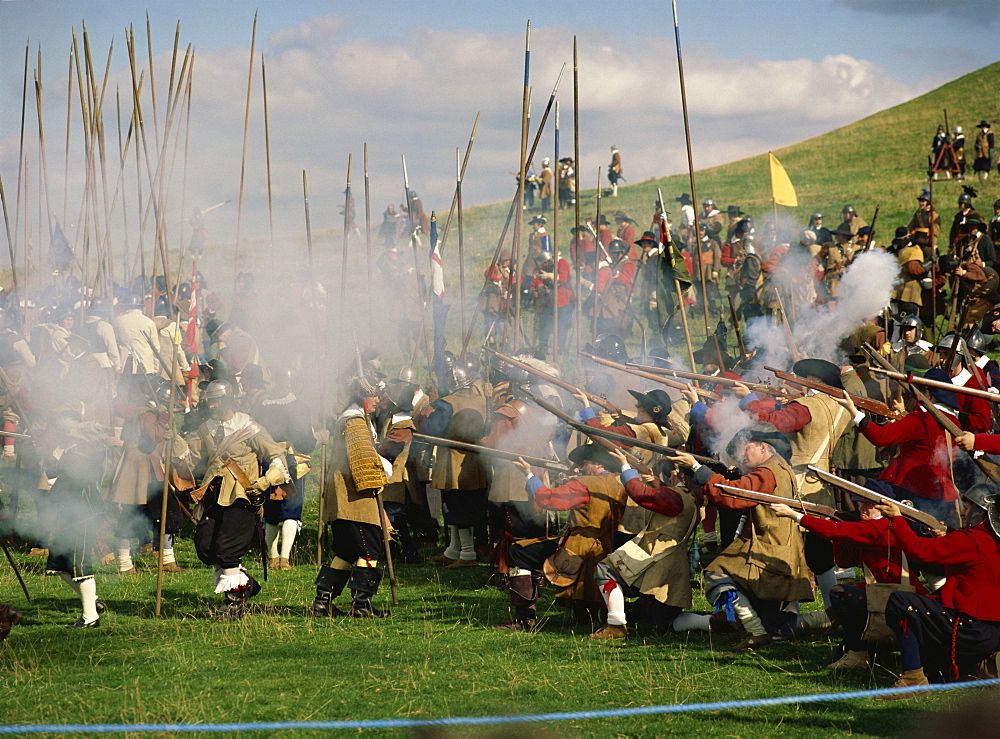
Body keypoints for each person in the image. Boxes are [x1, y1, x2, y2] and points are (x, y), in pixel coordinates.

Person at [669, 423, 812, 651]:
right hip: (779, 543)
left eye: (747, 448)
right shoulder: (780, 467)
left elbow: (734, 497)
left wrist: (696, 467)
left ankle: (756, 633)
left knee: (717, 573)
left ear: (763, 447)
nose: (742, 455)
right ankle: (824, 619)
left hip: (768, 545)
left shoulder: (767, 472)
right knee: (774, 622)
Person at [770, 479, 926, 670]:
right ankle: (861, 648)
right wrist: (839, 531)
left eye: (869, 504)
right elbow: (845, 561)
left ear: (883, 507)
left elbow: (834, 531)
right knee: (844, 623)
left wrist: (795, 515)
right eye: (861, 502)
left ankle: (860, 652)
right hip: (883, 589)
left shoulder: (877, 526)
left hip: (896, 590)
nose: (862, 507)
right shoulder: (872, 525)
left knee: (839, 594)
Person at [875, 484, 1000, 694]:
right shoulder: (985, 540)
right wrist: (948, 535)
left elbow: (918, 550)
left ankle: (913, 677)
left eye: (967, 507)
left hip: (970, 629)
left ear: (981, 511)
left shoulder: (972, 540)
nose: (962, 511)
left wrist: (896, 519)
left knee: (901, 602)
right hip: (992, 633)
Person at [497, 443, 629, 632]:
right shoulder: (620, 482)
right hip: (606, 545)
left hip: (579, 546)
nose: (582, 468)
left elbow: (547, 499)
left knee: (518, 552)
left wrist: (528, 474)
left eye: (585, 463)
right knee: (585, 615)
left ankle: (523, 619)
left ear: (598, 463)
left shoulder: (585, 484)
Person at [188, 380, 290, 621]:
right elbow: (191, 458)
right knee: (205, 547)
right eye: (209, 401)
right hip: (213, 496)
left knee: (227, 551)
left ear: (228, 400)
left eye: (216, 401)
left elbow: (277, 456)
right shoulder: (205, 429)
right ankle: (245, 585)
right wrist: (172, 441)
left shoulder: (249, 427)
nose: (212, 406)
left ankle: (233, 603)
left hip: (241, 496)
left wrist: (264, 483)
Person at [587, 448, 700, 639]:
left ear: (680, 476)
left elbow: (640, 495)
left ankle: (615, 625)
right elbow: (667, 497)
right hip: (672, 565)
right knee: (667, 622)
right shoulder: (692, 498)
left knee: (605, 570)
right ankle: (713, 622)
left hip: (653, 558)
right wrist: (655, 482)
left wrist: (625, 466)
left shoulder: (676, 497)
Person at [313, 377, 392, 618]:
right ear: (361, 396)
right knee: (369, 550)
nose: (378, 400)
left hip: (345, 494)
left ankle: (322, 603)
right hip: (355, 497)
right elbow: (363, 460)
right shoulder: (355, 422)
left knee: (346, 551)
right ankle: (361, 605)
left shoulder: (354, 419)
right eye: (374, 395)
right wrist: (376, 480)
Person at [422, 356, 489, 568]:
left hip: (453, 460)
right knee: (457, 506)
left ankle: (467, 554)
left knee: (457, 506)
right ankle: (453, 550)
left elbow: (432, 430)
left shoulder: (446, 404)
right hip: (477, 459)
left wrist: (425, 416)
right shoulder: (483, 400)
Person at [256, 368, 317, 571]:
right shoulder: (300, 407)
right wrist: (317, 438)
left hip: (269, 461)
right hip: (291, 462)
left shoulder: (262, 408)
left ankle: (275, 558)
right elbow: (305, 441)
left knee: (273, 511)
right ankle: (283, 558)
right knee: (290, 510)